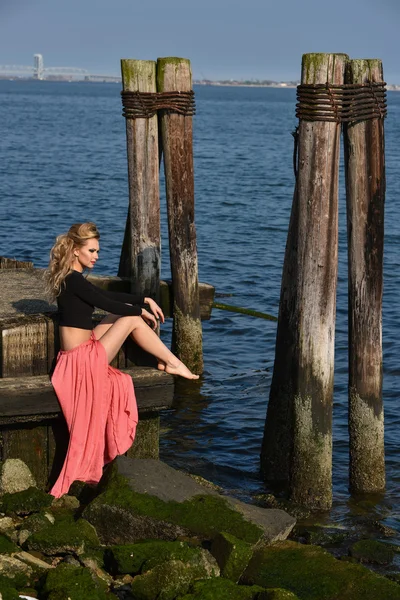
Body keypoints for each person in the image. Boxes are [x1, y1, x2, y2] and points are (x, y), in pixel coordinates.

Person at [46, 222, 199, 498]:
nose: (96, 256)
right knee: (129, 317)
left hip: (79, 353)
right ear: (75, 250)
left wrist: (143, 299)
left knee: (124, 314)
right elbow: (107, 302)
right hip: (82, 362)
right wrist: (140, 308)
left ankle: (169, 361)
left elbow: (106, 296)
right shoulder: (74, 279)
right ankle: (173, 362)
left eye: (97, 251)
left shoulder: (71, 277)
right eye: (92, 250)